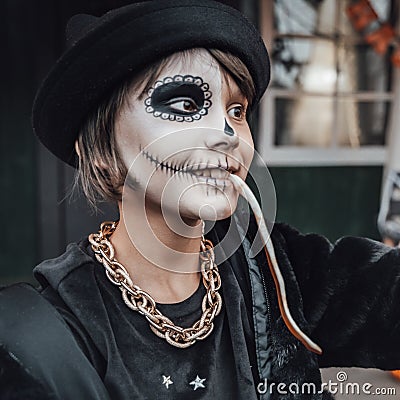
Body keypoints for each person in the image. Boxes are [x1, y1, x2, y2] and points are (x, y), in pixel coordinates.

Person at [1, 1, 400, 399]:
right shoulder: (48, 337)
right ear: (101, 149)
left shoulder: (278, 271)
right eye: (186, 104)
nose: (227, 134)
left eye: (238, 109)